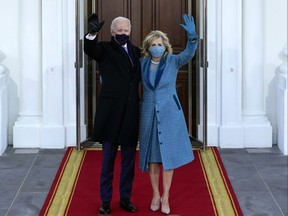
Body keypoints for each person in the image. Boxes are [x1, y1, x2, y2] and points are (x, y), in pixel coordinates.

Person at [138, 14, 198, 214]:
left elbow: (189, 54)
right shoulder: (143, 63)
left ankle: (166, 196)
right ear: (148, 46)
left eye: (160, 43)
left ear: (165, 46)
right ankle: (155, 194)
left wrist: (192, 38)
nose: (157, 46)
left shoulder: (173, 60)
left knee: (168, 159)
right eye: (154, 43)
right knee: (153, 159)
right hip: (149, 114)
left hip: (170, 114)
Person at [84, 14, 141, 214]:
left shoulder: (136, 52)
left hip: (130, 116)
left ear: (130, 31)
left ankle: (125, 198)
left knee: (128, 163)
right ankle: (105, 202)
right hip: (110, 116)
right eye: (120, 31)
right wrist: (91, 33)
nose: (123, 33)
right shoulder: (105, 50)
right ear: (112, 32)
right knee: (107, 162)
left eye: (126, 30)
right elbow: (89, 49)